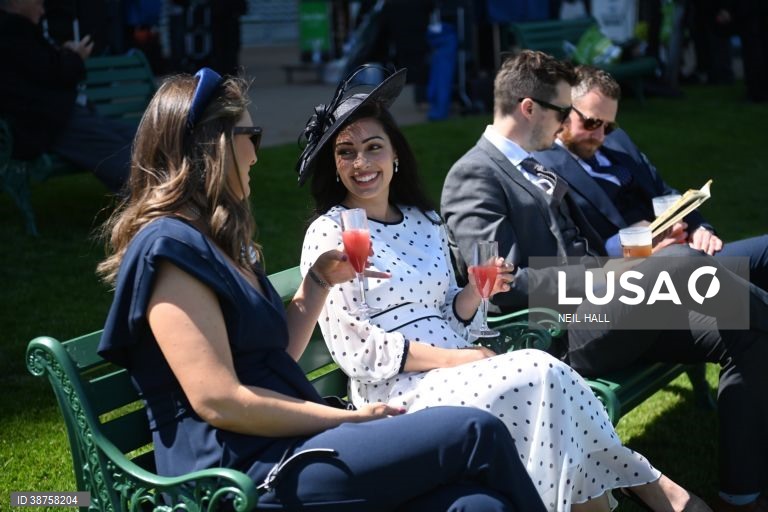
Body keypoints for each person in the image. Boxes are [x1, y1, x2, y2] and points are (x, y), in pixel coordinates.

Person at [93, 66, 550, 512]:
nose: (256, 153)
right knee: (476, 431)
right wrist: (346, 418)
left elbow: (277, 357)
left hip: (290, 446)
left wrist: (316, 283)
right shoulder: (168, 249)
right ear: (213, 147)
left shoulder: (219, 244)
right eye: (250, 137)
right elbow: (218, 400)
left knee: (478, 503)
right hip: (239, 472)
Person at [297, 63, 709, 512]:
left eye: (373, 147)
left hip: (475, 361)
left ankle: (641, 485)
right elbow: (358, 349)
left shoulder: (424, 220)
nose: (361, 163)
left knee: (556, 379)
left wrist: (472, 294)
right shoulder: (332, 233)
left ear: (395, 153)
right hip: (400, 389)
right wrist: (462, 355)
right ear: (334, 166)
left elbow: (448, 313)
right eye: (346, 152)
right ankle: (646, 481)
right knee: (541, 371)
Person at [440, 49, 768, 512]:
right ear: (529, 108)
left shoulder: (531, 164)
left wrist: (617, 268)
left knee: (745, 329)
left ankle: (743, 496)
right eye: (560, 111)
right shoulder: (473, 174)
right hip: (561, 332)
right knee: (685, 265)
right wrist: (605, 277)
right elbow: (501, 286)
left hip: (607, 309)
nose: (563, 125)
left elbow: (586, 247)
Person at [533, 64, 768, 291]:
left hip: (685, 253)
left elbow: (665, 193)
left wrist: (699, 229)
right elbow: (570, 255)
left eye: (608, 126)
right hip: (637, 279)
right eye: (592, 123)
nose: (601, 136)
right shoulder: (544, 169)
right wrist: (641, 248)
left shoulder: (619, 141)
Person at [0, 0, 134, 193]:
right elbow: (53, 74)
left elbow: (42, 71)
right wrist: (75, 56)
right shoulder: (12, 30)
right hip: (50, 124)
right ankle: (159, 206)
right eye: (36, 1)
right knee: (126, 158)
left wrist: (67, 54)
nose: (42, 5)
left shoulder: (17, 31)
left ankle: (164, 199)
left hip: (60, 117)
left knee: (140, 141)